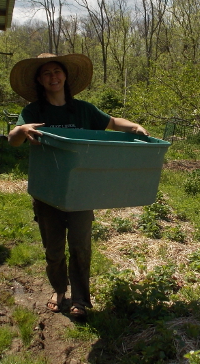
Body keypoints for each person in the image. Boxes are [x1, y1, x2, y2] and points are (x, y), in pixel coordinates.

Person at [8, 53, 149, 318]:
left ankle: (80, 299)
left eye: (57, 71)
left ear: (65, 76)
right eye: (47, 73)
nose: (53, 77)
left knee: (81, 246)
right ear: (40, 79)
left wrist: (135, 126)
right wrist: (21, 130)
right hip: (47, 190)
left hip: (81, 192)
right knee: (53, 249)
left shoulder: (83, 109)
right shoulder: (33, 112)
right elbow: (13, 140)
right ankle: (60, 290)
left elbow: (112, 123)